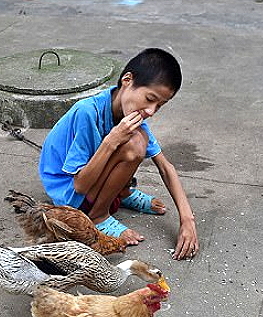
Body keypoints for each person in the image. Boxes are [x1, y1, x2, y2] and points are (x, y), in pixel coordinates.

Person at [38, 48, 199, 260]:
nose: (151, 111)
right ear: (127, 80)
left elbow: (165, 167)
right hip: (70, 195)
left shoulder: (132, 115)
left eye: (159, 105)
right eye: (150, 98)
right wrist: (112, 140)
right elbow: (80, 185)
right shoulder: (87, 112)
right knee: (134, 144)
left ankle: (122, 194)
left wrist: (187, 219)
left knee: (137, 138)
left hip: (91, 181)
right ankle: (99, 216)